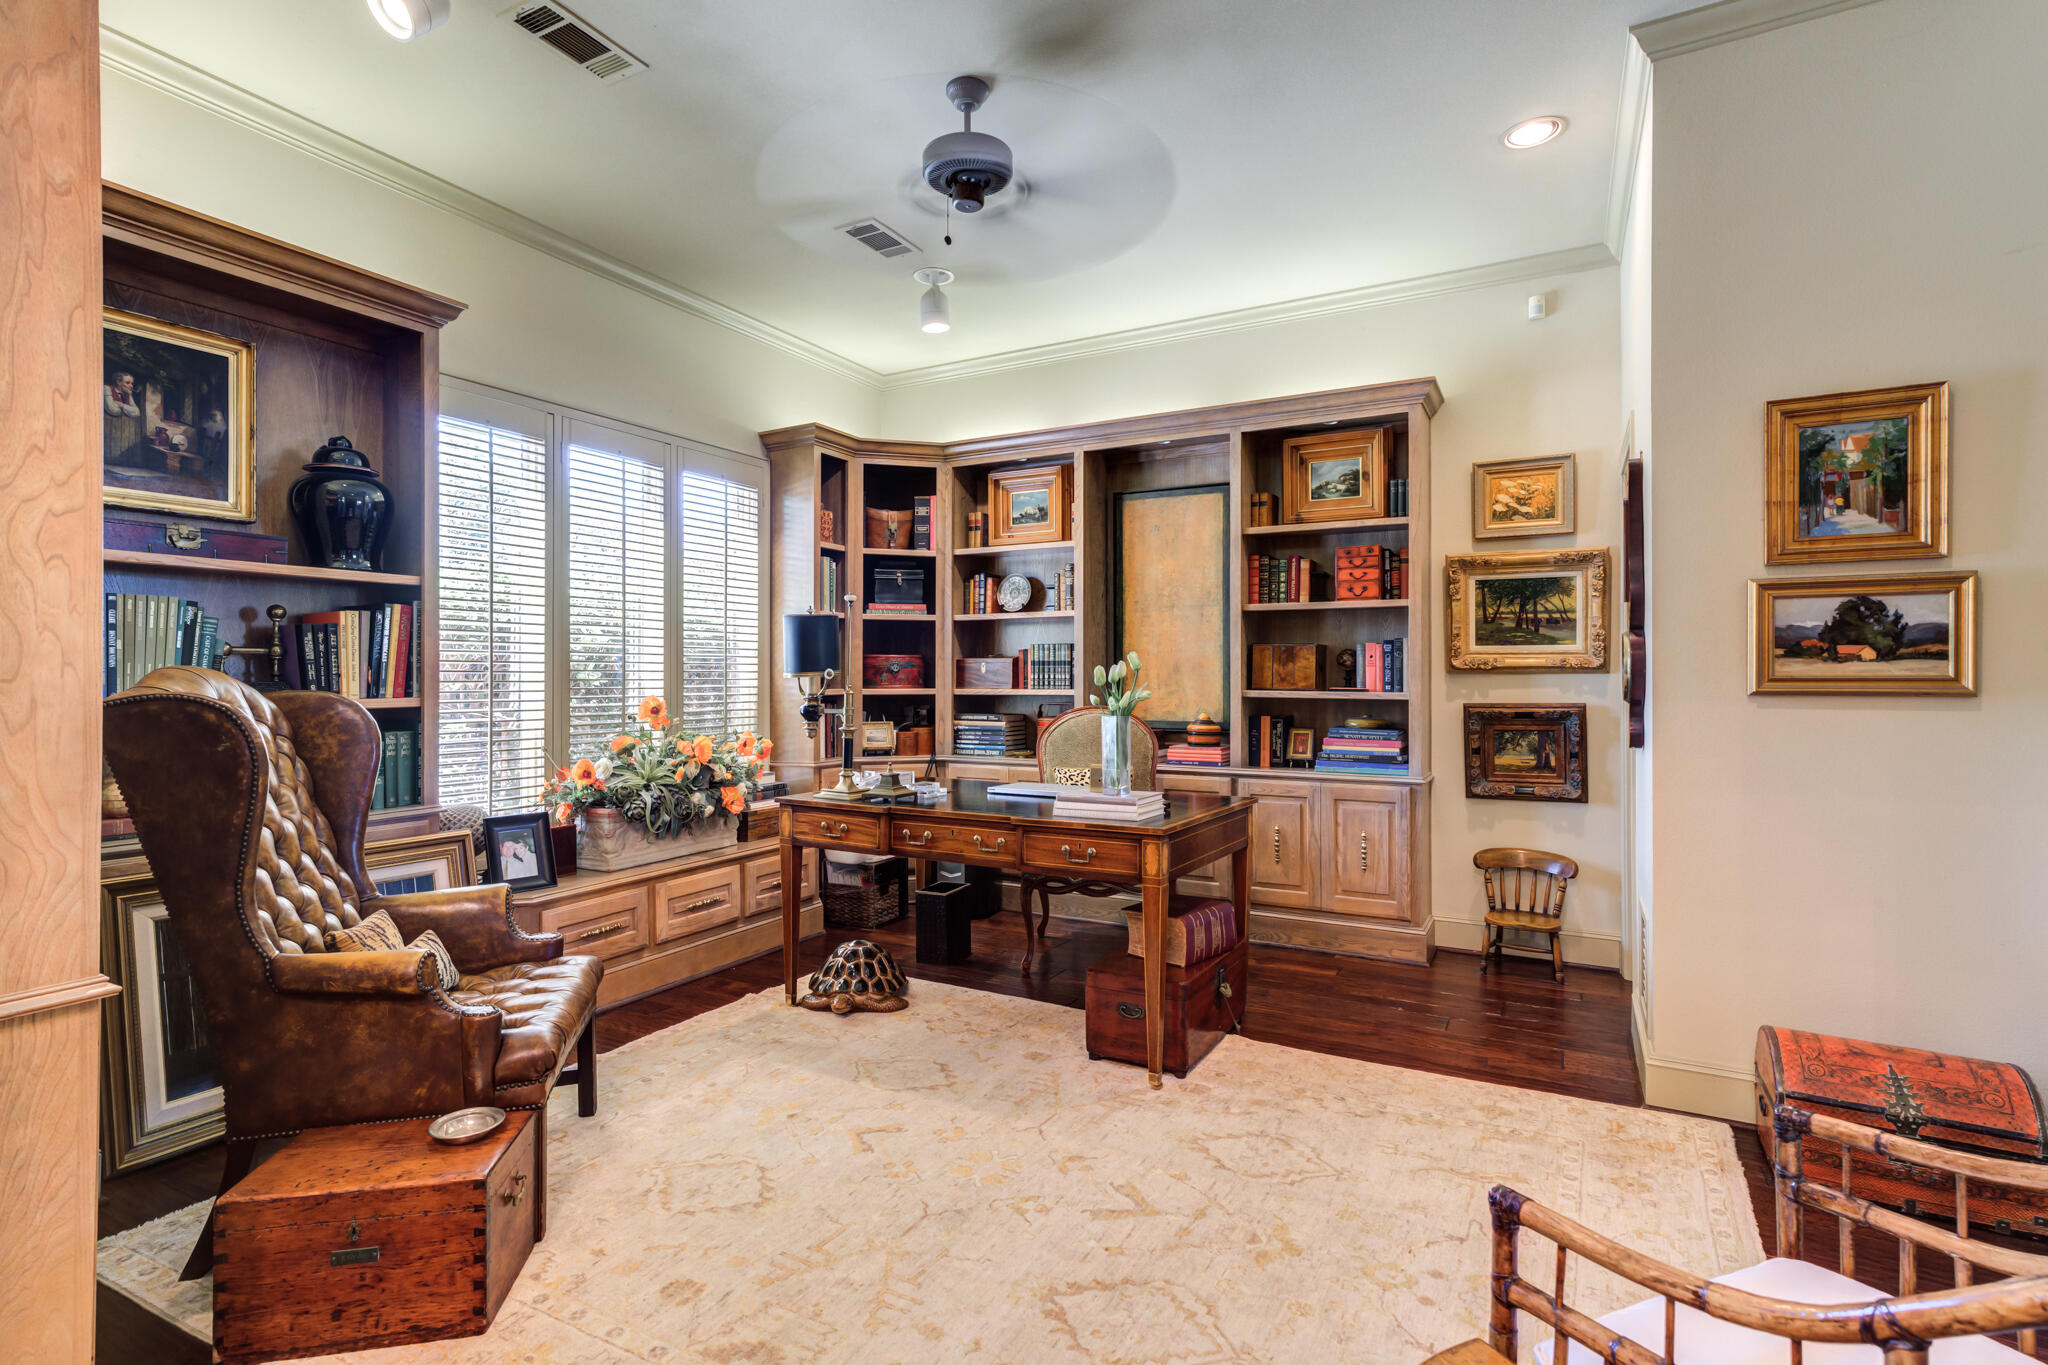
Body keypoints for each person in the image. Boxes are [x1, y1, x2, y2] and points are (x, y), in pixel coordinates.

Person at [104, 371, 144, 466]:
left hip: (120, 434)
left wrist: (121, 405)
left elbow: (136, 412)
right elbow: (113, 410)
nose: (131, 386)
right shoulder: (106, 389)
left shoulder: (128, 394)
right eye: (128, 383)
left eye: (132, 383)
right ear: (118, 382)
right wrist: (127, 410)